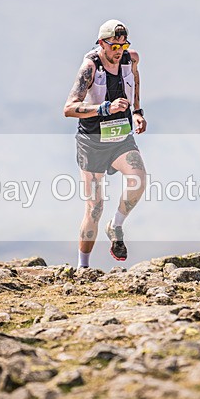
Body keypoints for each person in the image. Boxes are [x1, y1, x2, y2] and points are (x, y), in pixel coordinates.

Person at [63, 19, 147, 268]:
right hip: (93, 142)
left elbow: (136, 79)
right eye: (113, 46)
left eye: (123, 45)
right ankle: (83, 267)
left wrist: (138, 111)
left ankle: (116, 226)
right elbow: (68, 109)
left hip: (120, 137)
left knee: (139, 177)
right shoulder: (90, 67)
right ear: (102, 43)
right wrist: (104, 108)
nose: (118, 50)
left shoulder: (130, 59)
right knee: (94, 208)